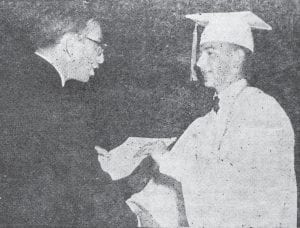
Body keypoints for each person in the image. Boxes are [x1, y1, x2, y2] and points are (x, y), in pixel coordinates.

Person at [0, 1, 156, 226]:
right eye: (98, 47)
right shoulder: (58, 104)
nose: (101, 58)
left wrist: (80, 152)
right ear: (71, 44)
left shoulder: (19, 80)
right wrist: (137, 223)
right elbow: (88, 192)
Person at [141, 11, 297, 227]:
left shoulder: (264, 112)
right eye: (201, 54)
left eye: (210, 53)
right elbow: (166, 190)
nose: (200, 64)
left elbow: (243, 192)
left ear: (237, 58)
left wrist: (169, 161)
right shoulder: (203, 123)